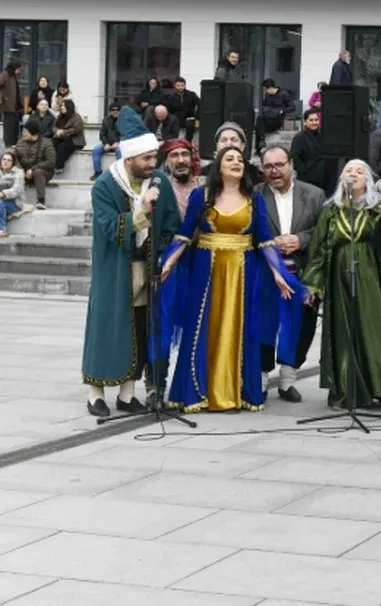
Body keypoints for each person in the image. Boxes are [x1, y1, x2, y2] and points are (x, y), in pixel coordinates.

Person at [159, 146, 304, 413]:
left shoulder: (254, 199)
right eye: (230, 159)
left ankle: (237, 392)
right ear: (219, 166)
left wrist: (277, 273)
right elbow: (184, 232)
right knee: (202, 327)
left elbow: (264, 240)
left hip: (243, 273)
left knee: (240, 326)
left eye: (240, 159)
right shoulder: (200, 196)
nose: (236, 162)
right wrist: (168, 261)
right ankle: (197, 392)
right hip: (206, 271)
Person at [82, 107, 181, 417]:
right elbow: (110, 227)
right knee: (106, 327)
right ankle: (95, 393)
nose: (153, 164)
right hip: (114, 268)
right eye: (147, 159)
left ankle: (127, 394)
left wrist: (163, 255)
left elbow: (169, 225)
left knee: (139, 329)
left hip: (147, 268)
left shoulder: (160, 183)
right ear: (129, 159)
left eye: (155, 158)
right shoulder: (104, 187)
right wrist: (142, 212)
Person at [302, 160, 381, 410]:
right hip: (338, 278)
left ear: (368, 181)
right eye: (348, 171)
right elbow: (319, 247)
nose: (352, 174)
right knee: (345, 333)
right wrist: (312, 284)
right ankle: (350, 391)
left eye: (359, 171)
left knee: (376, 330)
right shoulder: (330, 210)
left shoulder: (377, 207)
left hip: (374, 277)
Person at [257, 145, 326, 402]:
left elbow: (322, 230)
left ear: (291, 164)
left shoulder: (315, 194)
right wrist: (270, 242)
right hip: (266, 271)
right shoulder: (255, 195)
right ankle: (261, 379)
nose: (274, 171)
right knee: (264, 325)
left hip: (303, 270)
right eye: (268, 166)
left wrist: (301, 239)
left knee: (302, 326)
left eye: (279, 165)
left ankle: (288, 380)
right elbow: (249, 231)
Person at [13, 118, 54, 210]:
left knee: (38, 172)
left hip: (43, 173)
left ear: (33, 132)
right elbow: (14, 158)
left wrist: (33, 169)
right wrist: (21, 170)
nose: (23, 133)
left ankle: (41, 201)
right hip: (24, 172)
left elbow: (51, 162)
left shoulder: (46, 143)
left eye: (25, 131)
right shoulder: (20, 142)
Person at [156, 138, 203, 218]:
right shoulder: (161, 190)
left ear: (191, 158)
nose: (181, 161)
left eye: (185, 154)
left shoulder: (205, 185)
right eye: (174, 155)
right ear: (166, 162)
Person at [51, 98, 85, 173]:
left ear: (69, 107)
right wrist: (57, 131)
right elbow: (54, 126)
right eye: (61, 106)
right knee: (52, 143)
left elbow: (76, 129)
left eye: (64, 106)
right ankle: (51, 164)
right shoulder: (60, 116)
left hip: (74, 140)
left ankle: (59, 166)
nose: (62, 107)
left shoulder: (76, 117)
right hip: (61, 138)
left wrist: (63, 132)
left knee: (63, 147)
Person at [91, 103, 122, 181]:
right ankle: (97, 172)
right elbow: (102, 134)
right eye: (113, 110)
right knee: (96, 150)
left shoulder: (124, 121)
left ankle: (120, 173)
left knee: (119, 151)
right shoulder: (106, 120)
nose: (115, 111)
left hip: (120, 144)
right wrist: (106, 143)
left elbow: (126, 134)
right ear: (110, 111)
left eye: (117, 110)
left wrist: (118, 142)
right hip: (108, 143)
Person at [0, 62, 23, 149]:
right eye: (19, 69)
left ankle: (12, 148)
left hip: (15, 108)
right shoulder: (5, 75)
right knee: (9, 131)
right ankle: (8, 148)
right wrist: (2, 96)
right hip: (8, 107)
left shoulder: (13, 76)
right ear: (14, 68)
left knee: (14, 131)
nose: (19, 71)